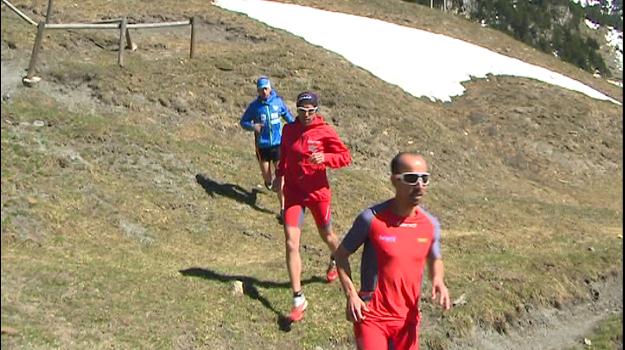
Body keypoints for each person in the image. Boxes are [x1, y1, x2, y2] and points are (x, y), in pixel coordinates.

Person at [334, 152, 451, 350]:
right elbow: (340, 256)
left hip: (408, 320)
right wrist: (351, 294)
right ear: (394, 181)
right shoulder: (371, 219)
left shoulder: (430, 224)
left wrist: (438, 280)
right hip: (371, 317)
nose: (420, 185)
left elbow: (435, 258)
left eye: (425, 178)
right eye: (412, 178)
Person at [272, 91, 352, 322]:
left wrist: (326, 158)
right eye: (302, 111)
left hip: (317, 194)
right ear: (296, 110)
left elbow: (345, 156)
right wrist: (279, 175)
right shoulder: (289, 130)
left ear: (317, 111)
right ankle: (298, 299)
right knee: (290, 241)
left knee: (327, 235)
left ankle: (336, 259)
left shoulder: (324, 131)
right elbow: (284, 154)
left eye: (311, 111)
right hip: (294, 194)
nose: (306, 115)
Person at [240, 76, 294, 222]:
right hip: (262, 147)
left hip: (277, 145)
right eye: (260, 89)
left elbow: (288, 116)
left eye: (265, 88)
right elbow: (243, 122)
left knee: (280, 178)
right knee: (268, 178)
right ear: (257, 91)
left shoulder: (278, 102)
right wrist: (253, 126)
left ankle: (283, 209)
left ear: (270, 88)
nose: (264, 91)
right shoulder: (254, 107)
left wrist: (296, 126)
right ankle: (268, 183)